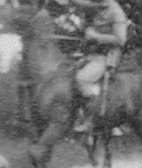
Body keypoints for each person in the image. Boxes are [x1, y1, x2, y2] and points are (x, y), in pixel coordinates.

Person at [52, 0, 129, 133]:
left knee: (83, 78)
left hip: (105, 57)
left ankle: (92, 119)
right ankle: (74, 116)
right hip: (91, 54)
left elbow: (121, 39)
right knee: (68, 73)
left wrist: (96, 36)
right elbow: (83, 3)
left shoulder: (116, 13)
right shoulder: (100, 4)